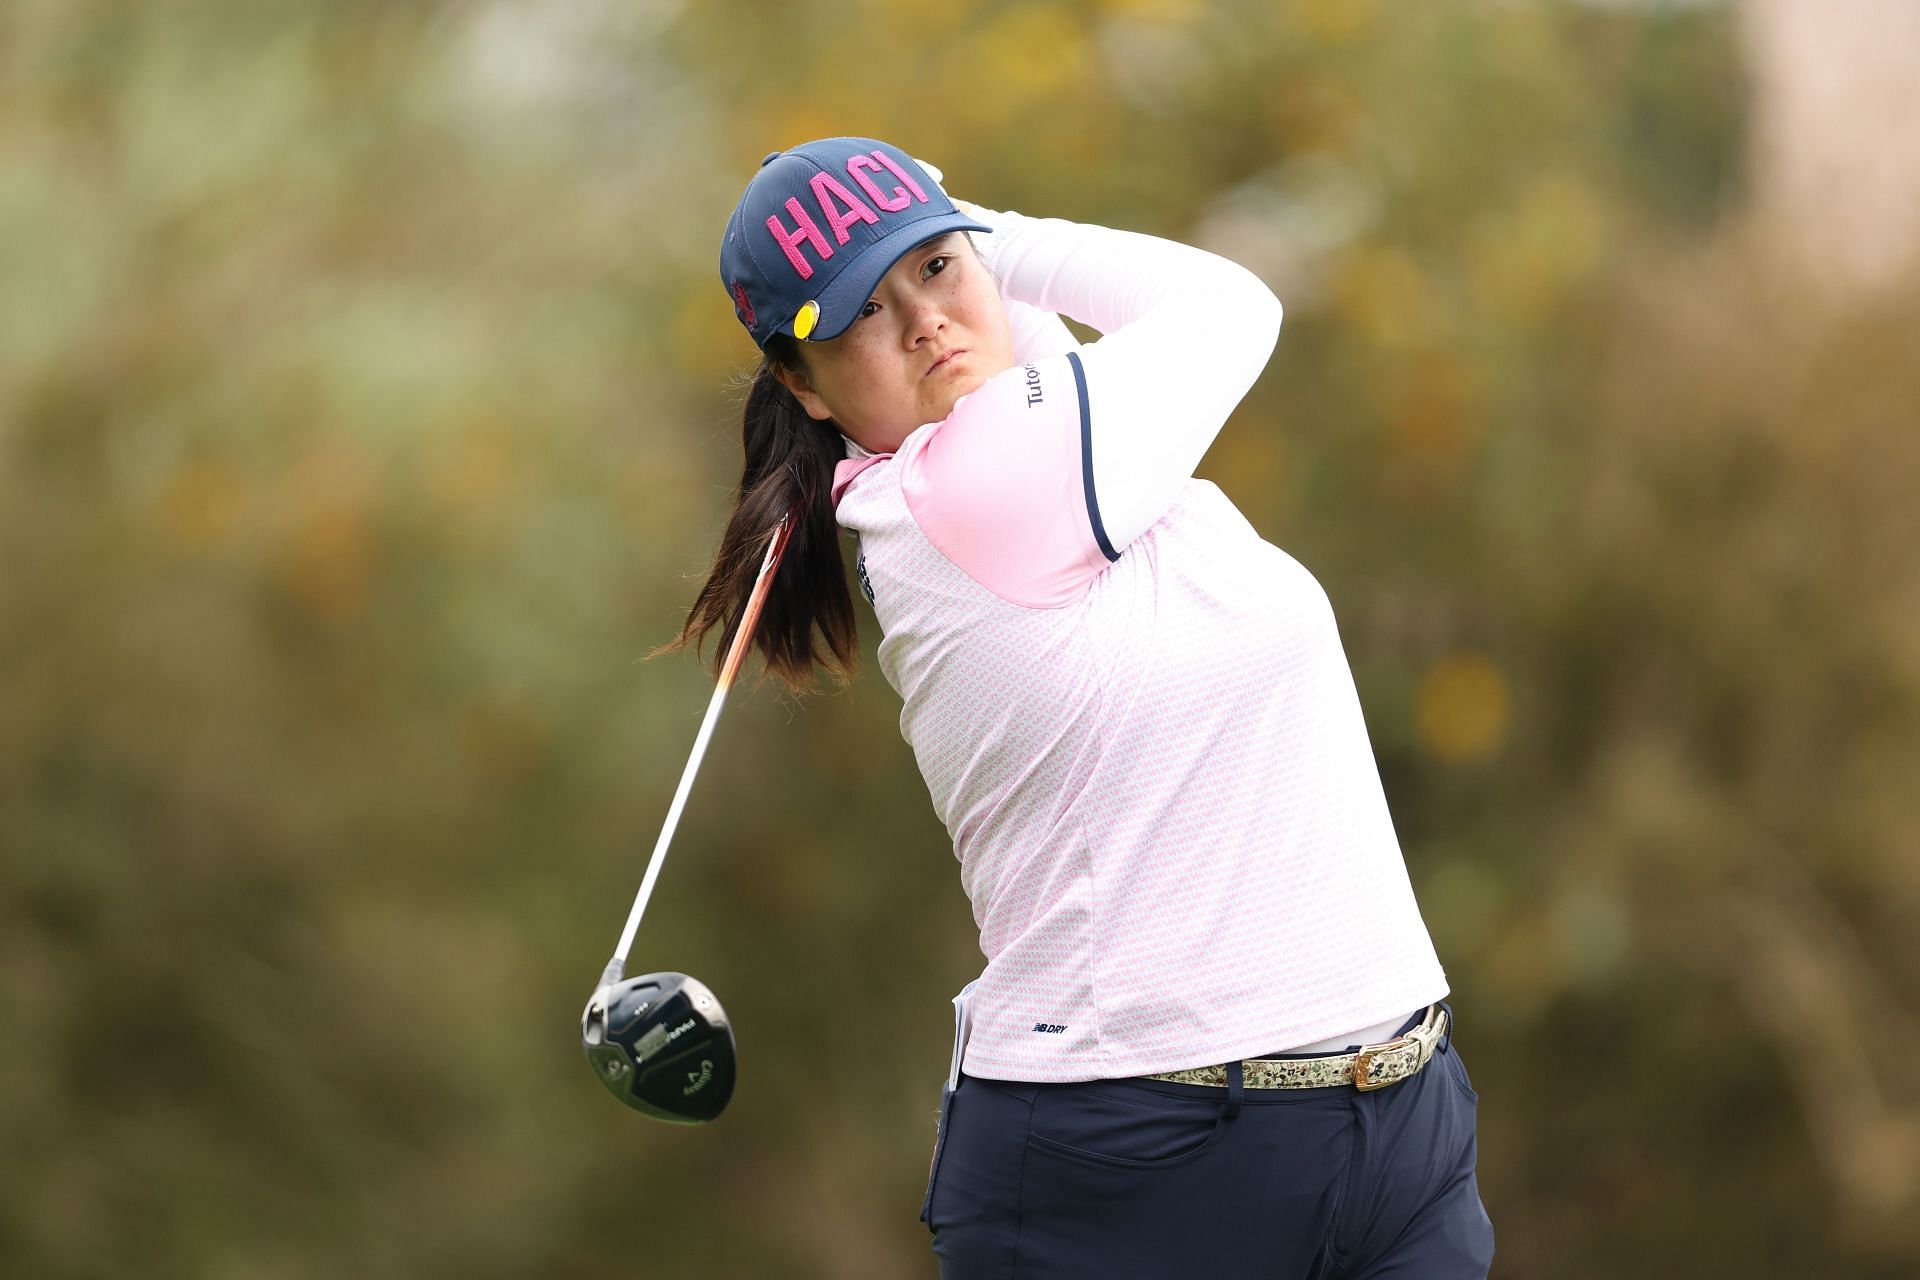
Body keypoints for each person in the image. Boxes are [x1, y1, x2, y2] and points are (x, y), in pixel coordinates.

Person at [679, 136, 1494, 1279]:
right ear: (802, 387)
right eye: (863, 308)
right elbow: (1227, 302)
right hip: (1142, 1171)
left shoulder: (1056, 443)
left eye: (933, 270)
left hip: (1398, 1127)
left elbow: (1022, 345)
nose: (924, 320)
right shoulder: (970, 487)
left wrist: (939, 237)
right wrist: (978, 231)